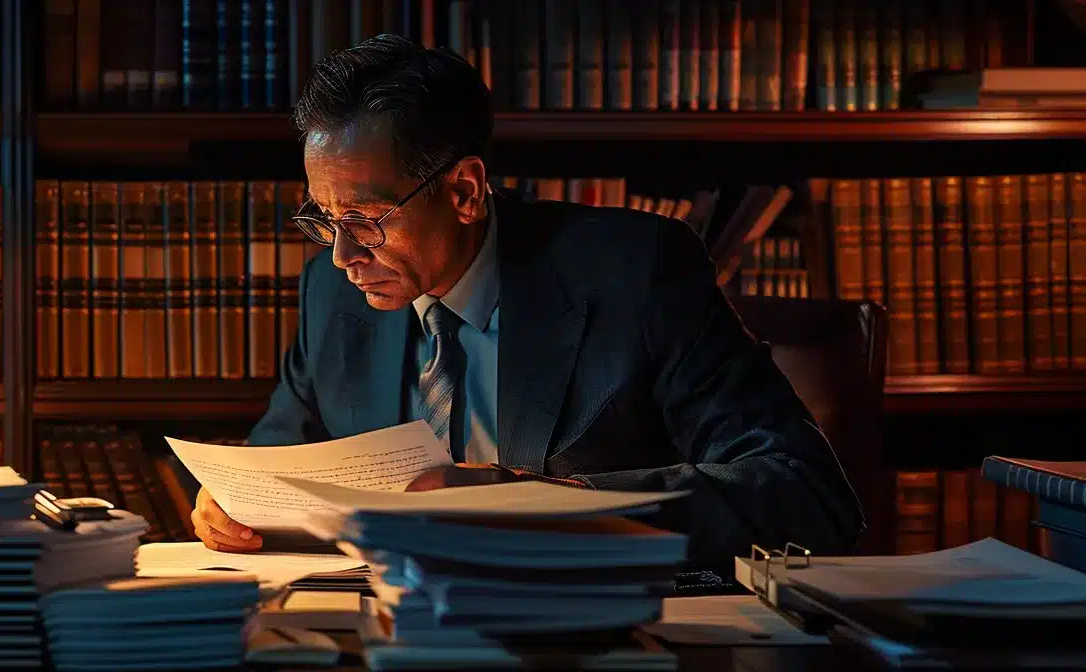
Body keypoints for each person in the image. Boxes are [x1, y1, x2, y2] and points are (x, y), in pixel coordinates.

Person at [191, 34, 863, 572]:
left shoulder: (635, 274)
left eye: (365, 218)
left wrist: (544, 505)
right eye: (323, 218)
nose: (341, 255)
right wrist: (231, 505)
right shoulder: (329, 296)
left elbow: (802, 493)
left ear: (463, 191)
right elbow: (273, 463)